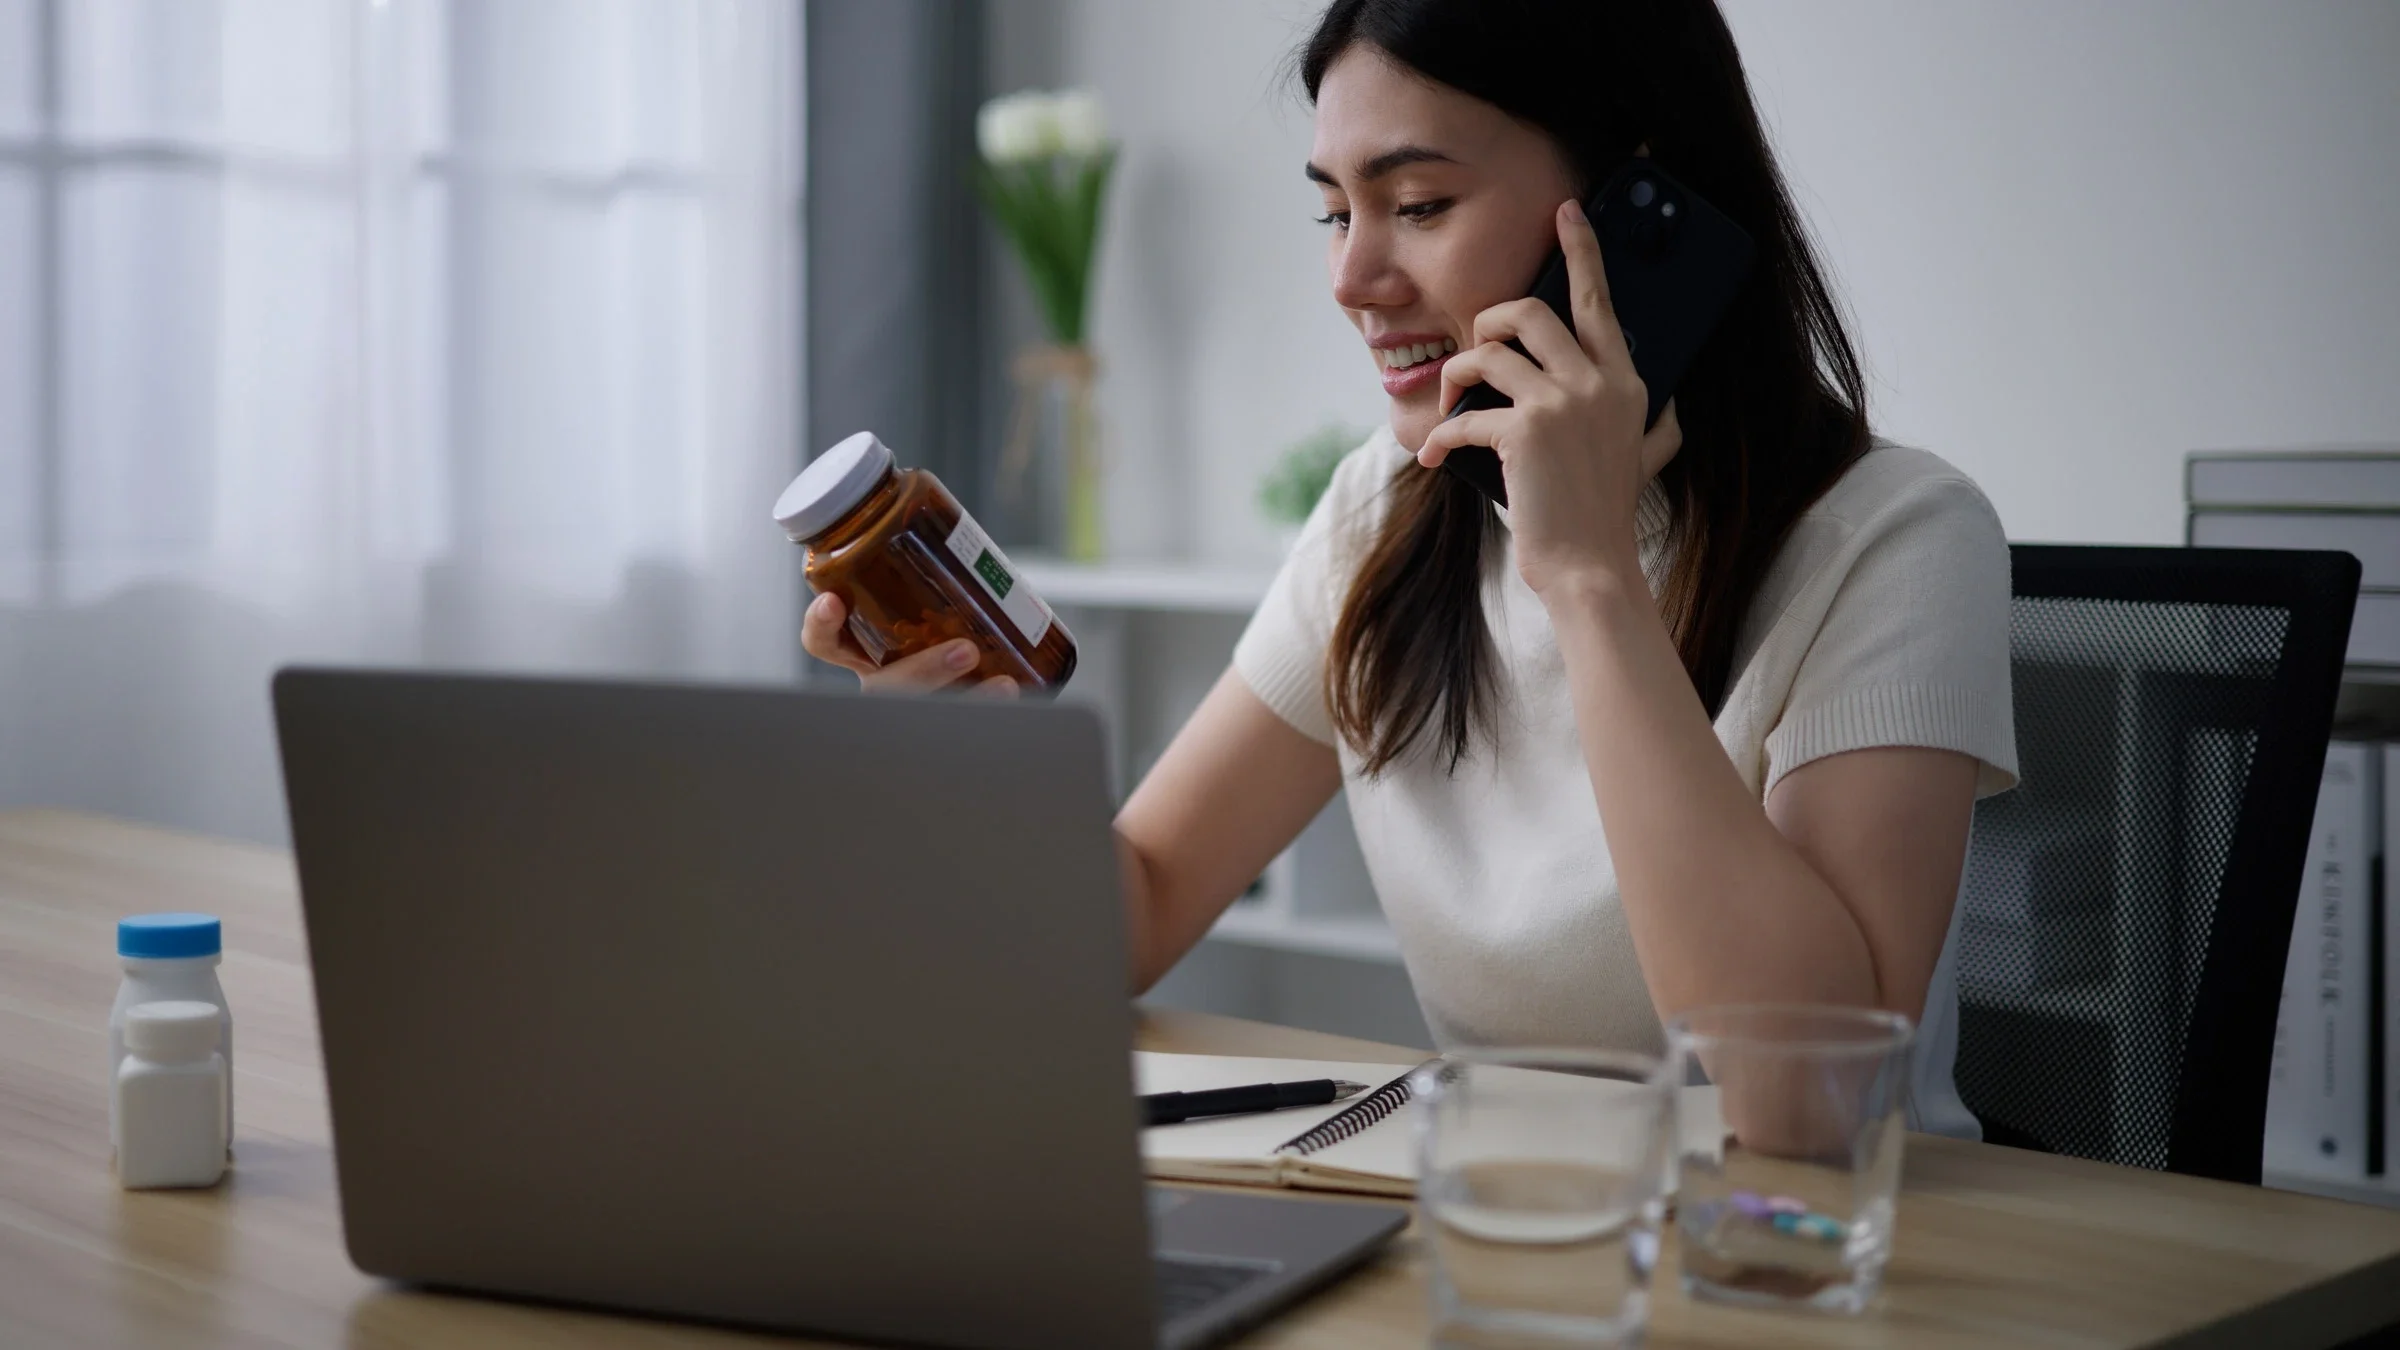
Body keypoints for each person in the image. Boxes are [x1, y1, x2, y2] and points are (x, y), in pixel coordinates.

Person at [803, 0, 2017, 1135]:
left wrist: (1588, 577)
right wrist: (966, 759)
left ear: (1645, 209)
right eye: (1336, 213)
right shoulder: (1381, 512)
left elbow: (1807, 1102)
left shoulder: (1898, 539)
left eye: (1420, 205)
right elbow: (1143, 901)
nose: (1351, 281)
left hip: (1815, 1251)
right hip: (1503, 1226)